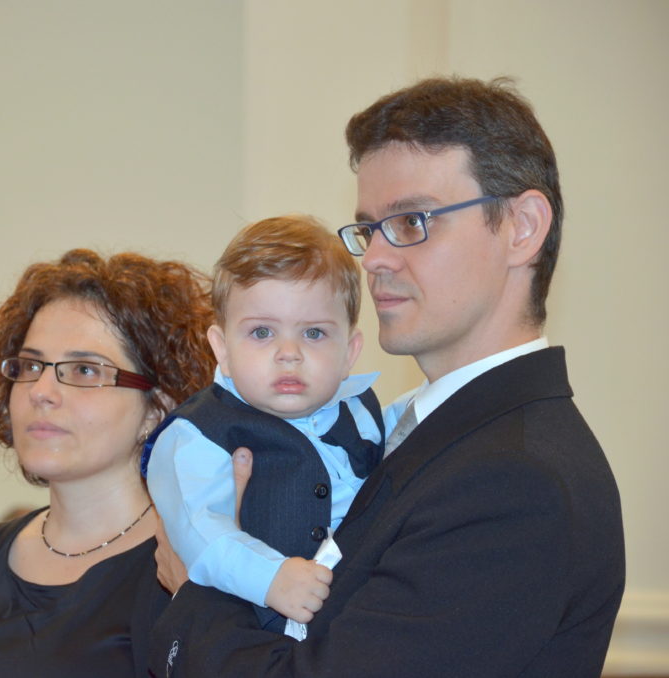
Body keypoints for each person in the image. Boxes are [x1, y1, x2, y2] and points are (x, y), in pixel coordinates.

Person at [148, 77, 625, 677]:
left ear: (522, 227)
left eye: (412, 221)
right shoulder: (415, 429)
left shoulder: (516, 481)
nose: (373, 258)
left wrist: (194, 597)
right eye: (369, 229)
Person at [0, 249, 216, 677]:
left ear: (157, 409)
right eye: (30, 365)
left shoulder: (183, 565)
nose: (41, 391)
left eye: (84, 370)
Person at [144, 215, 389, 634]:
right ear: (222, 348)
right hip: (255, 636)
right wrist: (269, 577)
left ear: (350, 351)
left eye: (313, 333)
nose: (288, 353)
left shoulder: (361, 410)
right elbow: (197, 529)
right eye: (262, 333)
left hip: (363, 623)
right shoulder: (197, 434)